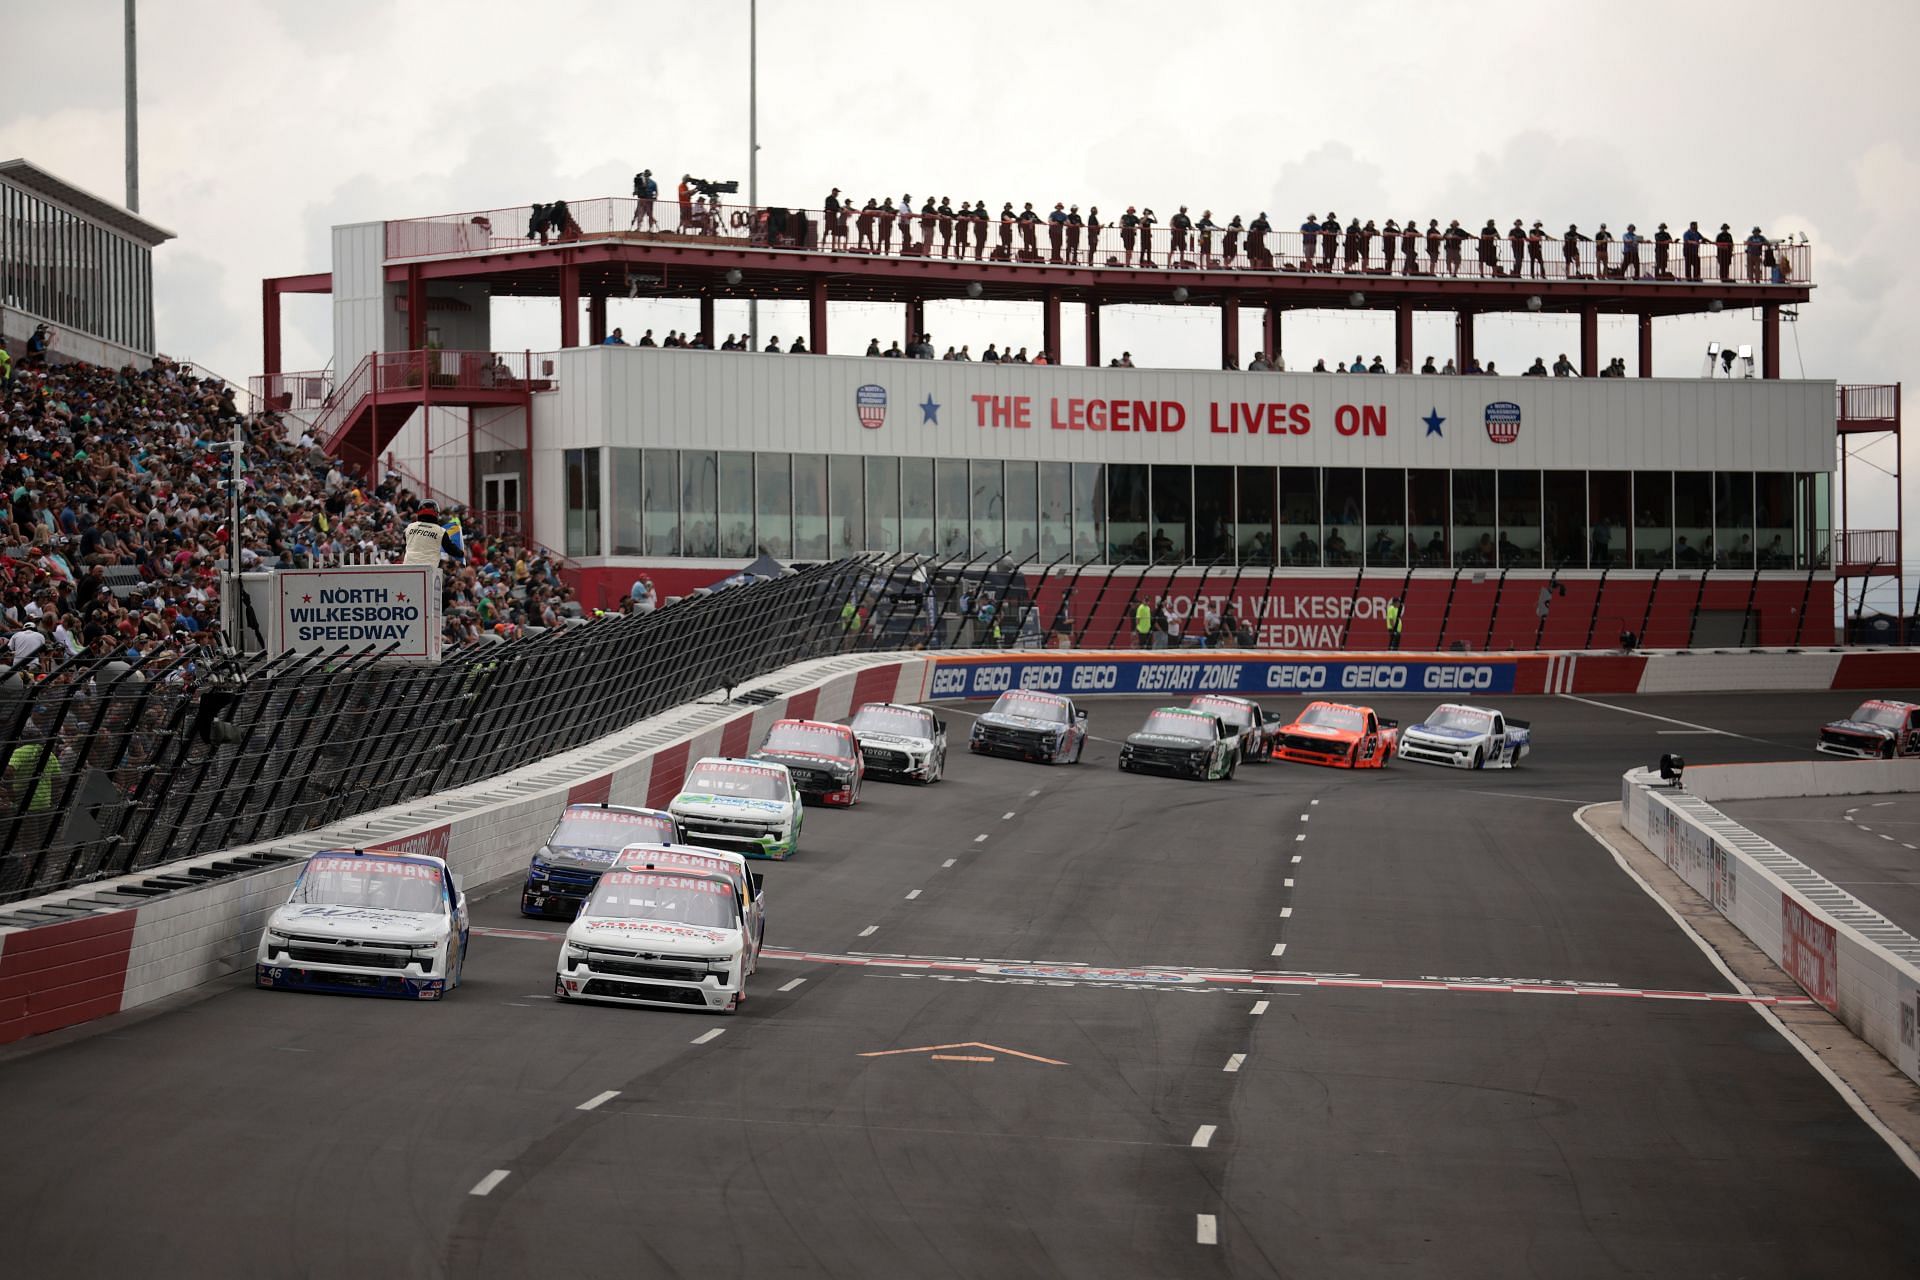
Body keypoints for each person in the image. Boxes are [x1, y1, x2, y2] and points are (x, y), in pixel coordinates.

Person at [401, 500, 465, 567]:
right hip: (429, 570)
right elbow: (450, 549)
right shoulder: (440, 531)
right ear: (436, 514)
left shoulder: (409, 527)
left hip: (408, 567)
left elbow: (403, 545)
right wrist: (461, 553)